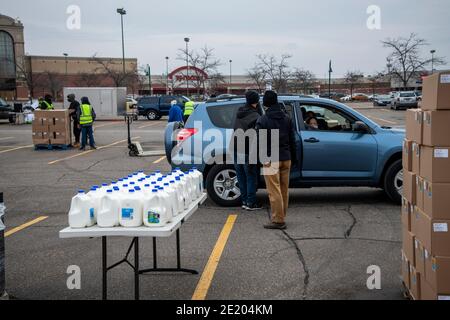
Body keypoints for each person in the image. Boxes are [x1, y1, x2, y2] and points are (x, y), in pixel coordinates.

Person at [256, 91, 297, 230]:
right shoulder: (287, 118)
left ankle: (278, 220)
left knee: (274, 191)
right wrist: (294, 157)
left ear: (266, 103)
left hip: (271, 157)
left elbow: (260, 143)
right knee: (284, 189)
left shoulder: (263, 120)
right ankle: (281, 215)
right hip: (286, 157)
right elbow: (293, 140)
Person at [232, 90, 263, 211]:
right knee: (250, 176)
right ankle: (251, 202)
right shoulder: (255, 116)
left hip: (236, 148)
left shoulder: (240, 111)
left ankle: (244, 200)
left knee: (241, 176)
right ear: (256, 101)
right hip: (247, 150)